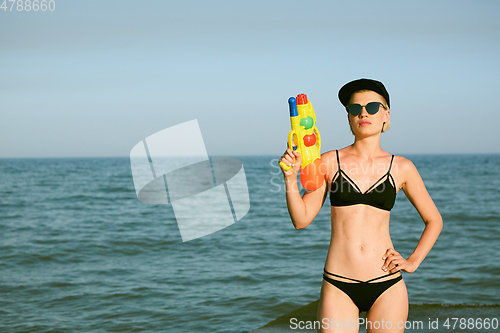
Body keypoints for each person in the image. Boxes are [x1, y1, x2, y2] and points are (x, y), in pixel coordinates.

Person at [279, 79, 443, 332]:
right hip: (338, 283)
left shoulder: (402, 167)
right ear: (348, 118)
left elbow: (434, 220)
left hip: (387, 283)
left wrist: (412, 261)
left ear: (386, 114)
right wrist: (290, 179)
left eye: (373, 107)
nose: (363, 113)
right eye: (355, 109)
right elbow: (301, 220)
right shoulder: (328, 162)